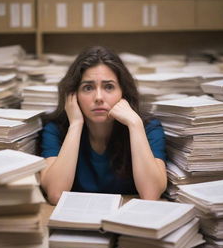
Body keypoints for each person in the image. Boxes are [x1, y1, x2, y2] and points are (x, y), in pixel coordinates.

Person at [40, 46, 167, 205]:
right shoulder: (55, 129)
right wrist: (76, 124)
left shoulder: (148, 128)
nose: (99, 97)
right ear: (73, 95)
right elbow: (56, 194)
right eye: (88, 87)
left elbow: (151, 194)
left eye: (109, 87)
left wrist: (134, 125)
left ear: (123, 93)